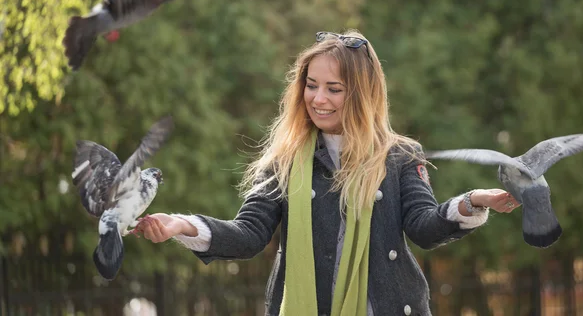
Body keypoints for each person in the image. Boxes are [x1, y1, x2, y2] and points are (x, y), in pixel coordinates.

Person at [136, 30, 520, 316]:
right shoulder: (285, 160)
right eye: (311, 85)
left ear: (362, 93)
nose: (318, 99)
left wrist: (472, 202)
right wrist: (182, 225)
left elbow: (423, 226)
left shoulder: (400, 155)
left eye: (334, 89)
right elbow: (248, 235)